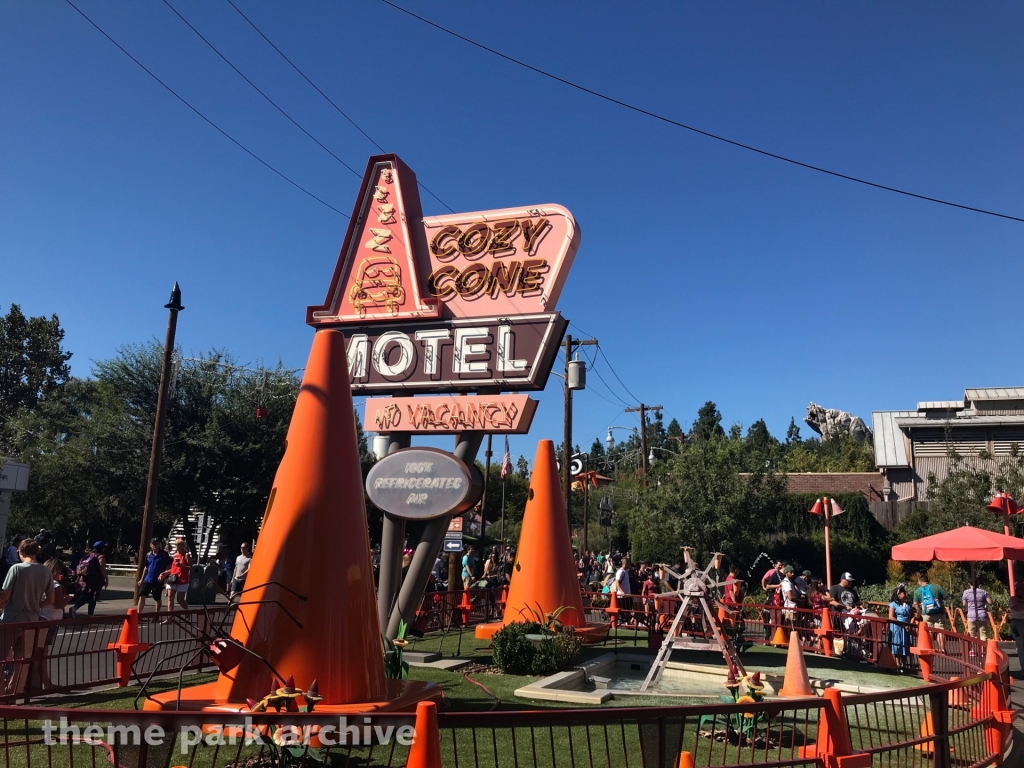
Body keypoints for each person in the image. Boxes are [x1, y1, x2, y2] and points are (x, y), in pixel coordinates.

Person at [0, 539, 54, 623]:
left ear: (21, 551)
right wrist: (36, 606)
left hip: (12, 618)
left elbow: (5, 596)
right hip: (32, 619)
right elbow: (50, 599)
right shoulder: (46, 571)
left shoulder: (16, 568)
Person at [68, 543, 107, 617]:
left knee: (86, 596)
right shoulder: (100, 556)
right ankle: (90, 614)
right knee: (93, 597)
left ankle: (74, 608)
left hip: (85, 579)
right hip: (95, 580)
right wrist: (106, 579)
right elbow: (102, 569)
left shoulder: (88, 555)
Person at [137, 538, 172, 613]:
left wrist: (165, 579)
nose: (155, 545)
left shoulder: (163, 554)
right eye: (154, 544)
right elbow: (146, 567)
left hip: (158, 580)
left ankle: (156, 614)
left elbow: (168, 566)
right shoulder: (148, 555)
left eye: (157, 544)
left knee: (157, 598)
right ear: (151, 545)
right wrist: (141, 579)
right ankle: (138, 615)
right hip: (147, 579)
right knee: (142, 596)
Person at [160, 538, 192, 618]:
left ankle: (187, 611)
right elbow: (173, 569)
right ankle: (170, 617)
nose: (177, 546)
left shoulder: (186, 555)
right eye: (176, 544)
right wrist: (165, 572)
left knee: (180, 600)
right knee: (170, 597)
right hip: (173, 578)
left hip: (182, 579)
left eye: (179, 544)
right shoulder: (174, 556)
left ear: (183, 546)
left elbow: (190, 567)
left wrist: (181, 566)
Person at [888, 584, 915, 668]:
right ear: (898, 595)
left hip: (907, 627)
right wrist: (902, 624)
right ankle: (897, 664)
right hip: (897, 627)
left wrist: (910, 624)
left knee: (906, 644)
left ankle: (904, 664)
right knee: (897, 644)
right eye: (901, 592)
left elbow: (912, 615)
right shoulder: (893, 604)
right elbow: (891, 616)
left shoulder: (908, 604)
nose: (904, 594)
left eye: (904, 592)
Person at [962, 576, 992, 641]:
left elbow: (964, 604)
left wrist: (969, 605)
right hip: (982, 615)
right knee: (983, 634)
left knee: (971, 634)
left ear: (969, 584)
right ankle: (983, 650)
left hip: (971, 615)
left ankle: (973, 649)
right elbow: (990, 602)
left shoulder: (966, 592)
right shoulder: (983, 592)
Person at [1008, 583, 1024, 672]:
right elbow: (1016, 608)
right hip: (1018, 622)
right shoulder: (1014, 599)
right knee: (1021, 646)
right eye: (1019, 589)